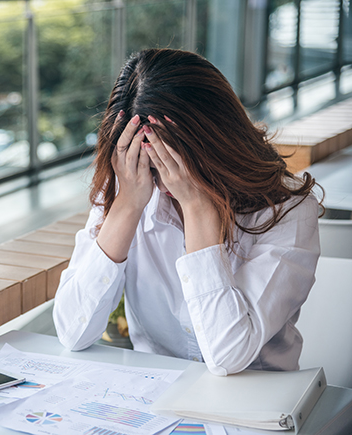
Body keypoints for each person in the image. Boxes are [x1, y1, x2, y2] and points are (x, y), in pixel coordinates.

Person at [53, 48, 322, 376]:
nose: (164, 180)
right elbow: (72, 332)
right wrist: (126, 206)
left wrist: (197, 208)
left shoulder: (287, 211)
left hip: (253, 407)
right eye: (150, 164)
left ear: (215, 140)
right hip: (154, 399)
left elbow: (228, 357)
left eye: (173, 160)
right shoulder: (132, 185)